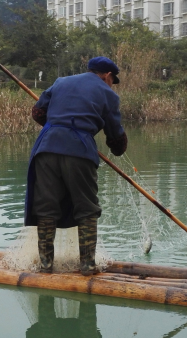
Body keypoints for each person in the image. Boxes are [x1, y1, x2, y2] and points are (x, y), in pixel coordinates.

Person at [24, 56, 127, 275]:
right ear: (107, 76)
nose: (111, 84)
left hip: (46, 148)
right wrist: (111, 144)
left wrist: (59, 125)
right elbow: (116, 139)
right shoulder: (108, 94)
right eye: (112, 80)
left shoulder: (61, 81)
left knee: (46, 207)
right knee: (87, 208)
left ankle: (45, 265)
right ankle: (88, 266)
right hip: (79, 151)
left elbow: (37, 113)